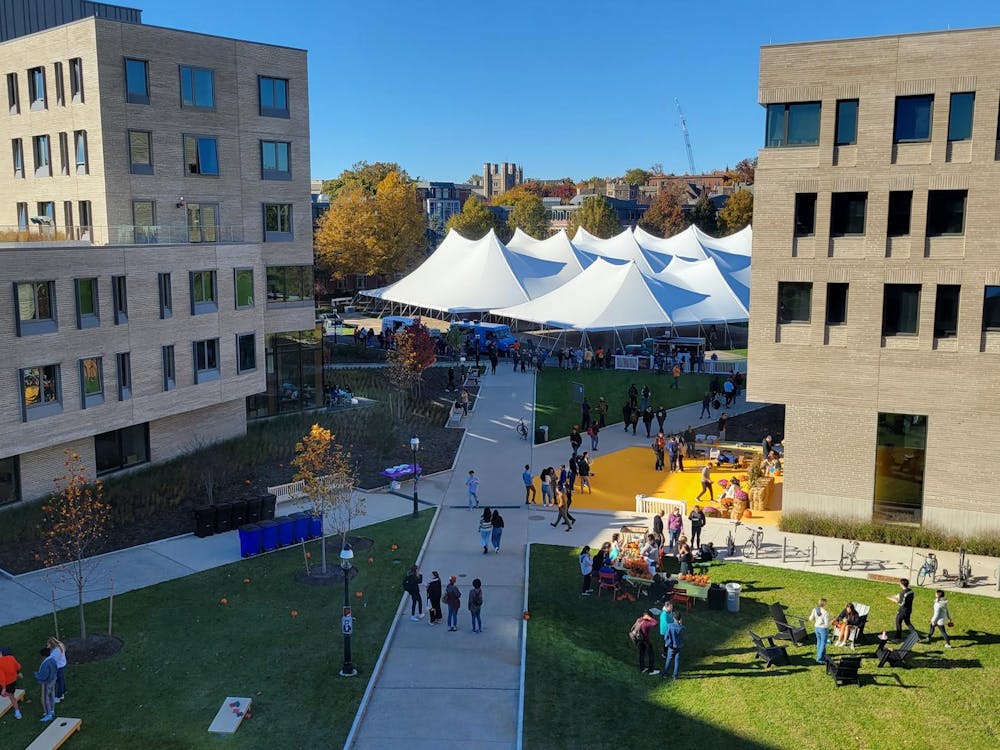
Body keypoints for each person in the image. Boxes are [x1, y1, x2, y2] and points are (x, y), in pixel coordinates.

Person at [35, 646, 57, 722]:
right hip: (53, 679)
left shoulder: (45, 663)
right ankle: (52, 710)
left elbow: (44, 675)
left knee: (45, 698)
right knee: (52, 695)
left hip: (46, 682)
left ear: (44, 656)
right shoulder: (53, 660)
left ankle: (48, 714)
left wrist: (37, 675)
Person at [0, 646, 22, 720]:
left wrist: (3, 688)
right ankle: (17, 712)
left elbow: (2, 677)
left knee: (9, 695)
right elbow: (18, 666)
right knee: (12, 697)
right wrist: (18, 673)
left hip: (6, 683)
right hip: (13, 681)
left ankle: (4, 693)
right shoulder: (11, 658)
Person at [635, 609, 659, 674]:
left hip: (639, 640)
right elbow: (655, 623)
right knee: (651, 655)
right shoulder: (646, 623)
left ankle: (642, 668)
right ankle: (651, 670)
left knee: (641, 654)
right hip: (646, 641)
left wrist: (645, 617)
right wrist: (649, 618)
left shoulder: (639, 620)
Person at [663, 611, 685, 680]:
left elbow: (666, 636)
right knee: (677, 660)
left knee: (668, 659)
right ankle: (675, 675)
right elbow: (682, 636)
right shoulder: (682, 628)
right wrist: (680, 624)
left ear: (673, 617)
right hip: (678, 646)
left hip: (671, 646)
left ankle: (665, 673)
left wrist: (667, 643)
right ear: (680, 619)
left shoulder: (669, 626)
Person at [808, 598, 831, 663]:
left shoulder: (815, 609)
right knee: (823, 643)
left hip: (816, 628)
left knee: (819, 642)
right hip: (823, 629)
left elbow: (810, 618)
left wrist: (818, 620)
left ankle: (821, 655)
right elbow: (826, 625)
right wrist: (832, 620)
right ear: (824, 604)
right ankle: (819, 659)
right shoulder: (825, 612)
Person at [46, 637, 66, 704]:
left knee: (59, 681)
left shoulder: (56, 651)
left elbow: (54, 661)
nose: (47, 646)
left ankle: (59, 696)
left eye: (48, 645)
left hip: (58, 667)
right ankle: (63, 691)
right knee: (61, 679)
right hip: (62, 665)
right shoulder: (60, 645)